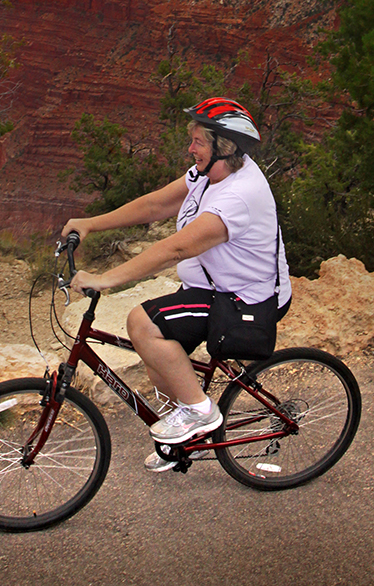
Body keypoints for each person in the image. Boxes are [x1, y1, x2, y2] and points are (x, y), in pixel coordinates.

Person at [65, 96, 291, 472]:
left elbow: (176, 249)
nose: (191, 149)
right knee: (160, 358)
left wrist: (105, 280)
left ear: (226, 146)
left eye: (199, 141)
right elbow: (155, 205)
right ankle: (187, 434)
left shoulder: (238, 195)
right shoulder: (209, 174)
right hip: (215, 286)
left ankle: (201, 414)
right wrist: (92, 222)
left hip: (244, 300)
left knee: (142, 323)